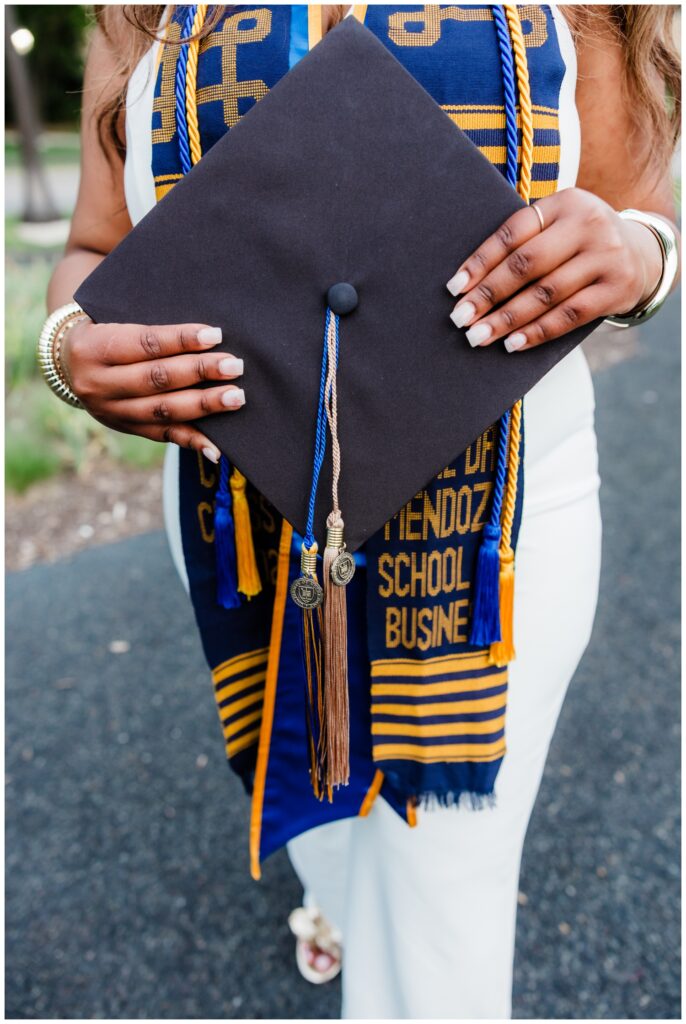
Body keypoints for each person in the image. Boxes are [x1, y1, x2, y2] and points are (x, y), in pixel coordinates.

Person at [42, 4, 679, 1018]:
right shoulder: (146, 11)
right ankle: (334, 891)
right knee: (318, 818)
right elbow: (90, 250)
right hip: (238, 512)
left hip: (494, 522)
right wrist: (68, 348)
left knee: (436, 919)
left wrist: (636, 257)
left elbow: (644, 213)